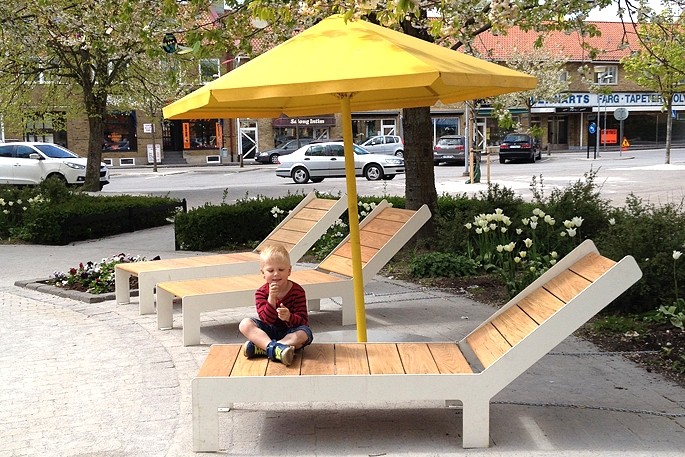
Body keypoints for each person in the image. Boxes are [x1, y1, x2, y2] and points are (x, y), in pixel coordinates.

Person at [238, 243, 313, 366]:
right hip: (269, 331)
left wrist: (289, 317)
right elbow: (266, 320)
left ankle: (265, 347)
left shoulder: (297, 291)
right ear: (263, 273)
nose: (276, 274)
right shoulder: (261, 293)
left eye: (281, 270)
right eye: (271, 270)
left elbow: (303, 321)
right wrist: (271, 298)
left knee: (305, 334)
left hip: (290, 332)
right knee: (245, 324)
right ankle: (277, 349)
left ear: (289, 271)